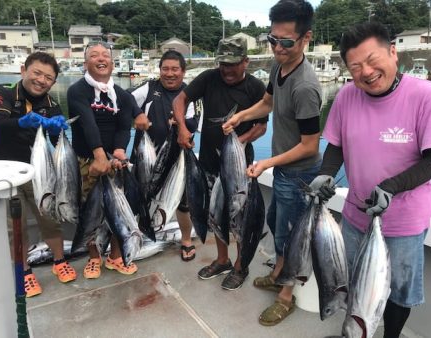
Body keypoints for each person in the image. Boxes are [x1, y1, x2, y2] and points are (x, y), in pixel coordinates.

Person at [309, 22, 431, 338]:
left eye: (372, 59)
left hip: (405, 221)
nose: (366, 72)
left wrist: (392, 186)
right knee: (356, 282)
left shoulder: (427, 96)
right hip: (355, 216)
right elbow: (336, 146)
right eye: (356, 66)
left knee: (399, 293)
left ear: (393, 52)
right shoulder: (346, 96)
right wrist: (326, 172)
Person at [222, 0, 322, 326]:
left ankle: (286, 297)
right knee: (276, 225)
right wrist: (240, 115)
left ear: (306, 38)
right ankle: (279, 273)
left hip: (299, 173)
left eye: (286, 42)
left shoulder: (306, 86)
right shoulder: (280, 67)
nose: (278, 47)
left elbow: (309, 146)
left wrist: (266, 163)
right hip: (282, 171)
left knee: (290, 237)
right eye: (272, 39)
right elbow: (266, 103)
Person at [173, 37, 267, 290]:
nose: (226, 69)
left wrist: (240, 140)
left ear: (246, 62)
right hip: (208, 164)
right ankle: (222, 260)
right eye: (223, 64)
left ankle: (240, 265)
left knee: (238, 217)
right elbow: (179, 100)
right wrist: (182, 128)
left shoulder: (256, 87)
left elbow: (262, 126)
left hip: (239, 167)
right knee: (216, 215)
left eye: (233, 64)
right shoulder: (209, 78)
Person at [0, 52, 75, 297]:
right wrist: (23, 122)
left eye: (48, 77)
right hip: (3, 171)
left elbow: (58, 142)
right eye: (37, 73)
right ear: (23, 69)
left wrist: (60, 130)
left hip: (36, 171)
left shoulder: (51, 106)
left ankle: (59, 261)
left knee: (49, 217)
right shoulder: (1, 91)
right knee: (15, 226)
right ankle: (24, 271)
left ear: (53, 82)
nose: (41, 80)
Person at [67, 41, 137, 279]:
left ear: (112, 62)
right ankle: (94, 257)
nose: (100, 58)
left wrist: (119, 150)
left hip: (114, 162)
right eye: (94, 55)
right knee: (89, 211)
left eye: (105, 55)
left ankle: (115, 256)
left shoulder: (124, 97)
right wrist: (99, 156)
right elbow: (87, 122)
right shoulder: (77, 90)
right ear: (86, 63)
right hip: (88, 160)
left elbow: (124, 127)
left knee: (119, 211)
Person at [129, 50, 198, 261]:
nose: (169, 73)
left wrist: (181, 126)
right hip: (145, 158)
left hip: (176, 160)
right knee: (137, 198)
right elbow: (125, 100)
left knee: (182, 202)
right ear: (159, 70)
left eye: (174, 69)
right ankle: (134, 236)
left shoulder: (190, 94)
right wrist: (138, 113)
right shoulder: (149, 88)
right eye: (165, 69)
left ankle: (186, 239)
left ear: (183, 72)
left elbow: (194, 121)